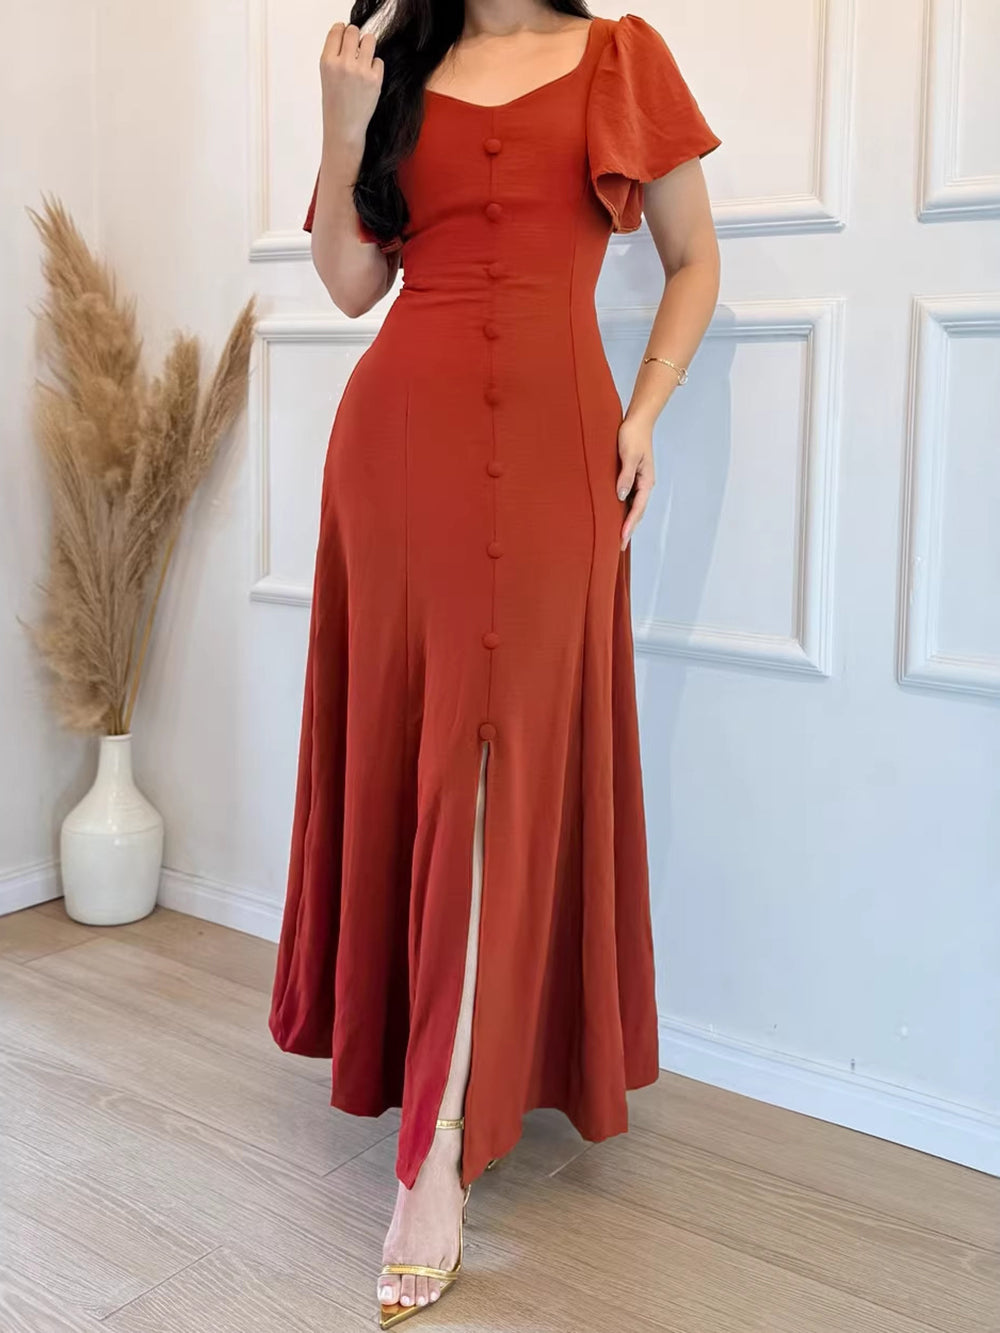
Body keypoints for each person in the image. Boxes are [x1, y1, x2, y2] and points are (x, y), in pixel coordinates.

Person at [268, 1, 721, 1325]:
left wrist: (645, 411)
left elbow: (694, 259)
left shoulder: (621, 57)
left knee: (499, 773)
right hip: (400, 450)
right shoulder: (393, 61)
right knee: (435, 763)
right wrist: (342, 124)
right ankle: (433, 1145)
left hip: (560, 446)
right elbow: (353, 287)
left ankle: (444, 1128)